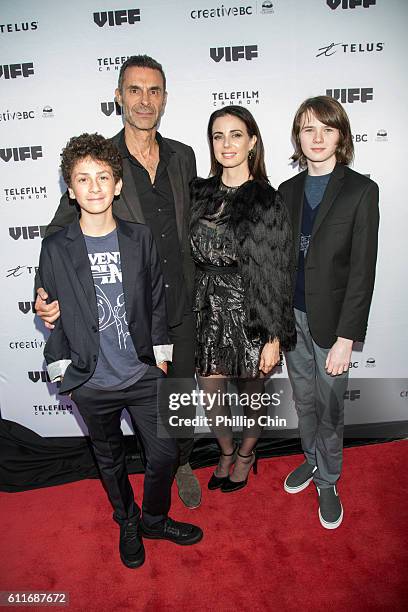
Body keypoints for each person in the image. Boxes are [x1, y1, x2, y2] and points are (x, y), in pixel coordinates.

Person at [34, 55, 201, 508]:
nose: (144, 100)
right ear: (118, 97)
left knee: (181, 395)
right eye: (134, 90)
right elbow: (57, 236)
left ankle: (180, 461)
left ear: (164, 98)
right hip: (130, 314)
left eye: (154, 91)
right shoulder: (102, 162)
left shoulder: (183, 157)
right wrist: (45, 293)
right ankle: (149, 476)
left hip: (180, 306)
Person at [279, 96, 379, 529]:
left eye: (326, 128)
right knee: (304, 401)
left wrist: (346, 338)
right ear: (298, 138)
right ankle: (311, 460)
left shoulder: (360, 190)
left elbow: (362, 271)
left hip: (333, 326)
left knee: (330, 405)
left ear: (341, 135)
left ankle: (329, 479)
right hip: (293, 320)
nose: (316, 138)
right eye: (307, 129)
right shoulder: (287, 191)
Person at [190, 106, 296, 492]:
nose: (226, 144)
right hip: (206, 310)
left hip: (251, 313)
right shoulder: (198, 192)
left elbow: (280, 273)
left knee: (253, 396)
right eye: (218, 136)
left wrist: (274, 337)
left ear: (252, 142)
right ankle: (225, 450)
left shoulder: (268, 200)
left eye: (236, 135)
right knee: (212, 395)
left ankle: (247, 454)